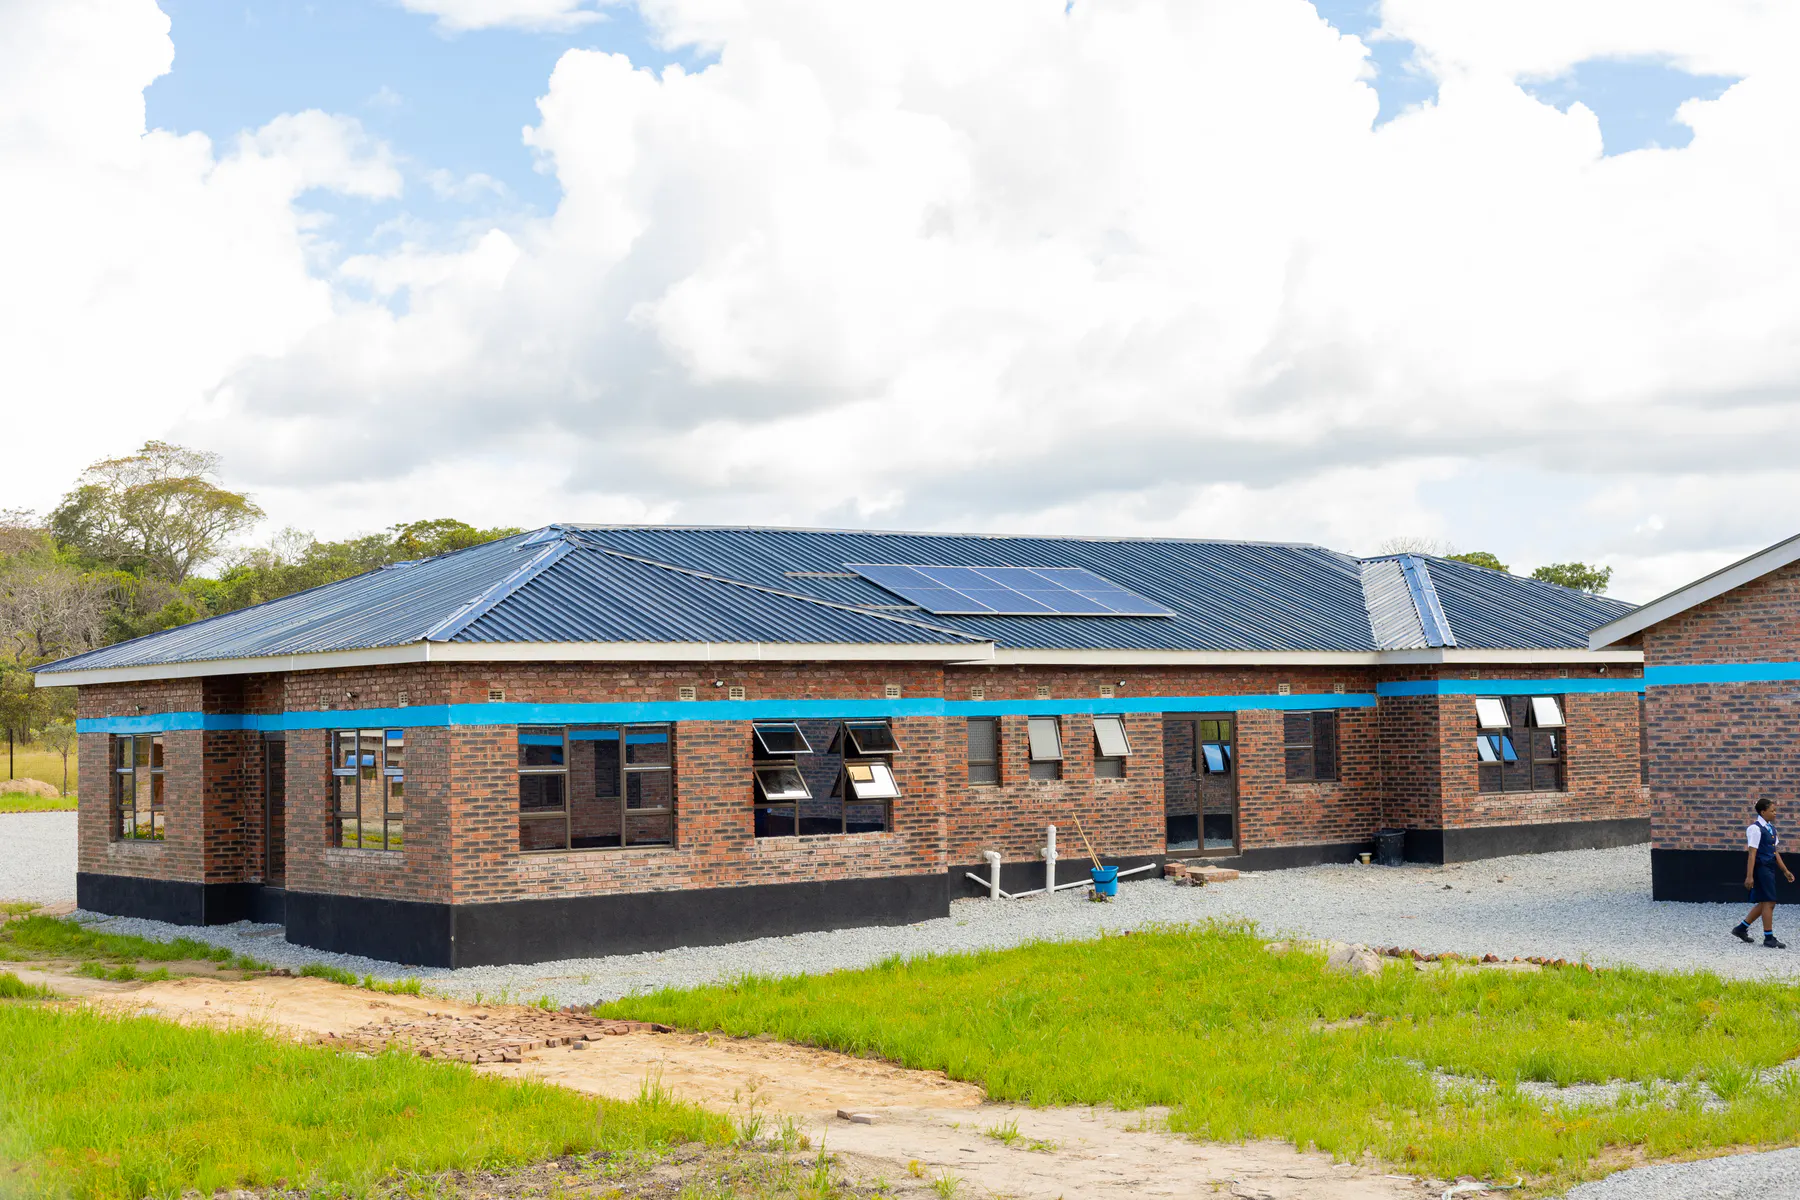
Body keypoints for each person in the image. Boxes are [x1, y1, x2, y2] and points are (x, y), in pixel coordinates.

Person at [1733, 798, 1794, 949]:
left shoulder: (1771, 829)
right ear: (1763, 812)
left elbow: (1775, 852)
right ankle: (1768, 938)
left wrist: (1785, 870)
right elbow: (1752, 854)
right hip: (1761, 869)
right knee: (1770, 902)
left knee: (1764, 902)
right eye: (1772, 811)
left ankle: (1740, 929)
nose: (1775, 813)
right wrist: (1749, 876)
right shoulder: (1755, 829)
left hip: (1770, 868)